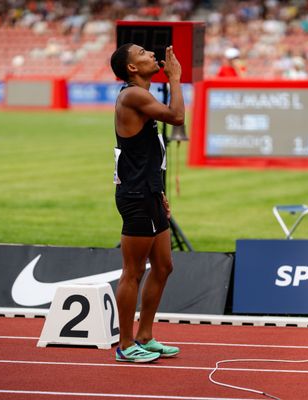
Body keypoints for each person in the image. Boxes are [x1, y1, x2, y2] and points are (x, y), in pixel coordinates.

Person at [109, 43, 184, 363]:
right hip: (136, 195)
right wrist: (176, 79)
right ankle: (125, 345)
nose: (151, 54)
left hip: (149, 191)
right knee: (133, 271)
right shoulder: (132, 95)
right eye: (142, 53)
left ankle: (145, 335)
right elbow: (177, 117)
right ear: (132, 68)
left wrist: (159, 190)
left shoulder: (142, 95)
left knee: (164, 265)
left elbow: (149, 154)